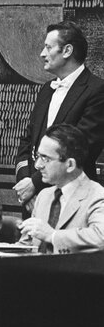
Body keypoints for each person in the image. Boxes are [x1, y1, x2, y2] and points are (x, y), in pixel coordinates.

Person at [0, 124, 104, 253]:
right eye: (38, 156)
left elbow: (101, 238)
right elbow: (25, 249)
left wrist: (52, 235)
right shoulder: (44, 196)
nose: (38, 165)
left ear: (70, 165)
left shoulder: (97, 196)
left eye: (46, 158)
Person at [14, 21, 104, 216]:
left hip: (72, 201)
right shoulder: (46, 89)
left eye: (48, 47)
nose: (42, 54)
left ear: (67, 51)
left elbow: (82, 148)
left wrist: (35, 183)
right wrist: (27, 186)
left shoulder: (97, 91)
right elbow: (27, 141)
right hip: (33, 200)